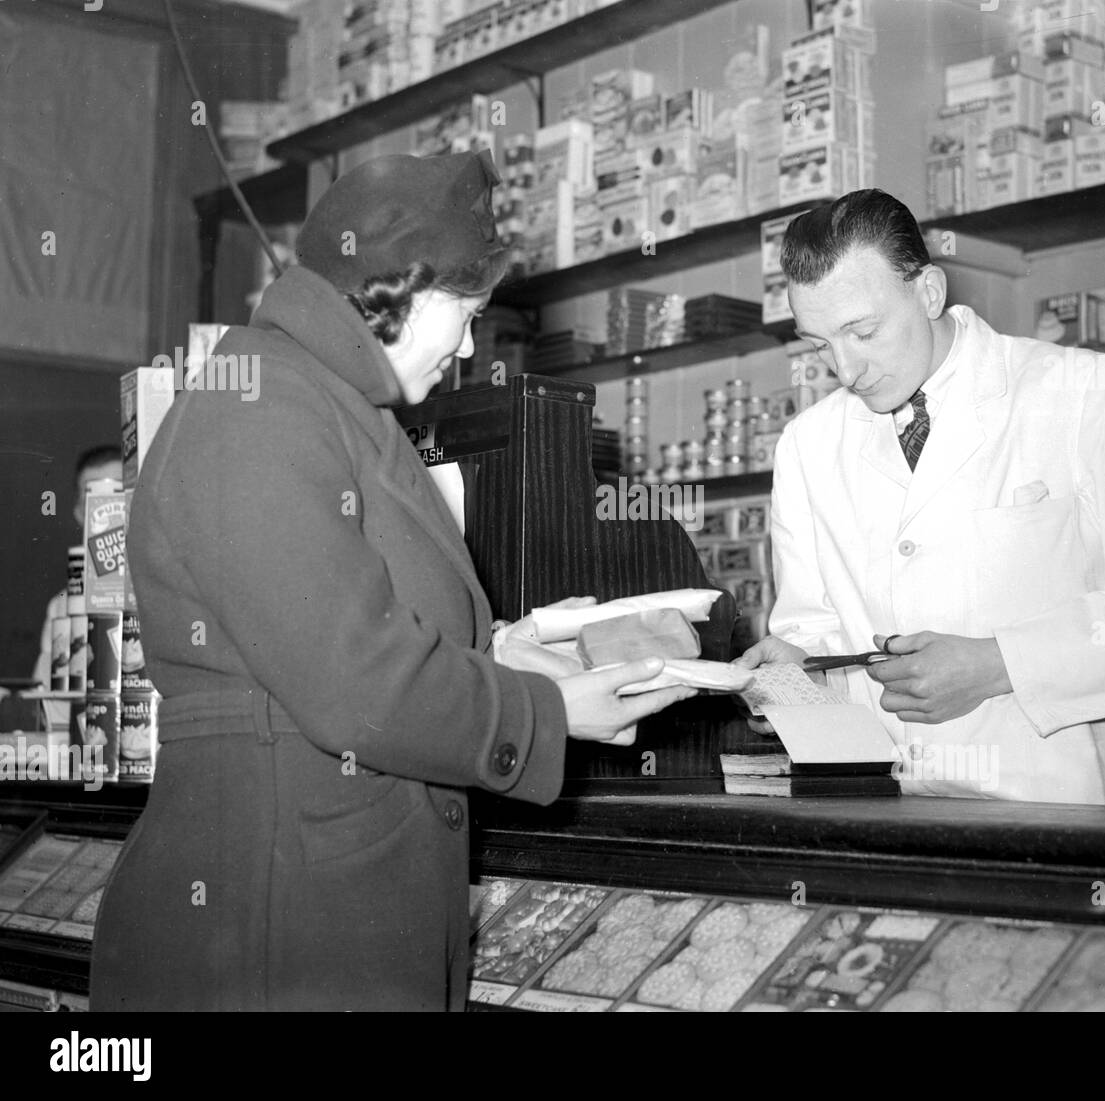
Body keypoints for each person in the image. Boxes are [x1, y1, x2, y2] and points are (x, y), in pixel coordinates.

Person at [89, 150, 696, 1011]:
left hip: (317, 917)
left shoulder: (322, 400)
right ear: (404, 291)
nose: (473, 346)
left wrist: (507, 650)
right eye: (472, 313)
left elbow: (341, 629)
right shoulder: (259, 406)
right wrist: (547, 712)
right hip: (269, 941)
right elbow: (358, 682)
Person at [736, 189, 1105, 805]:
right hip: (889, 821)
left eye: (863, 331)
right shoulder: (807, 445)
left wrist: (1003, 663)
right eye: (819, 344)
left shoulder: (1081, 392)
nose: (844, 370)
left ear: (928, 292)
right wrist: (791, 681)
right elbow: (820, 645)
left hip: (1064, 817)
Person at [32, 445, 123, 702]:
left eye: (117, 496)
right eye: (94, 500)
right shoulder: (61, 608)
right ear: (79, 514)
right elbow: (50, 705)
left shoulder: (164, 591)